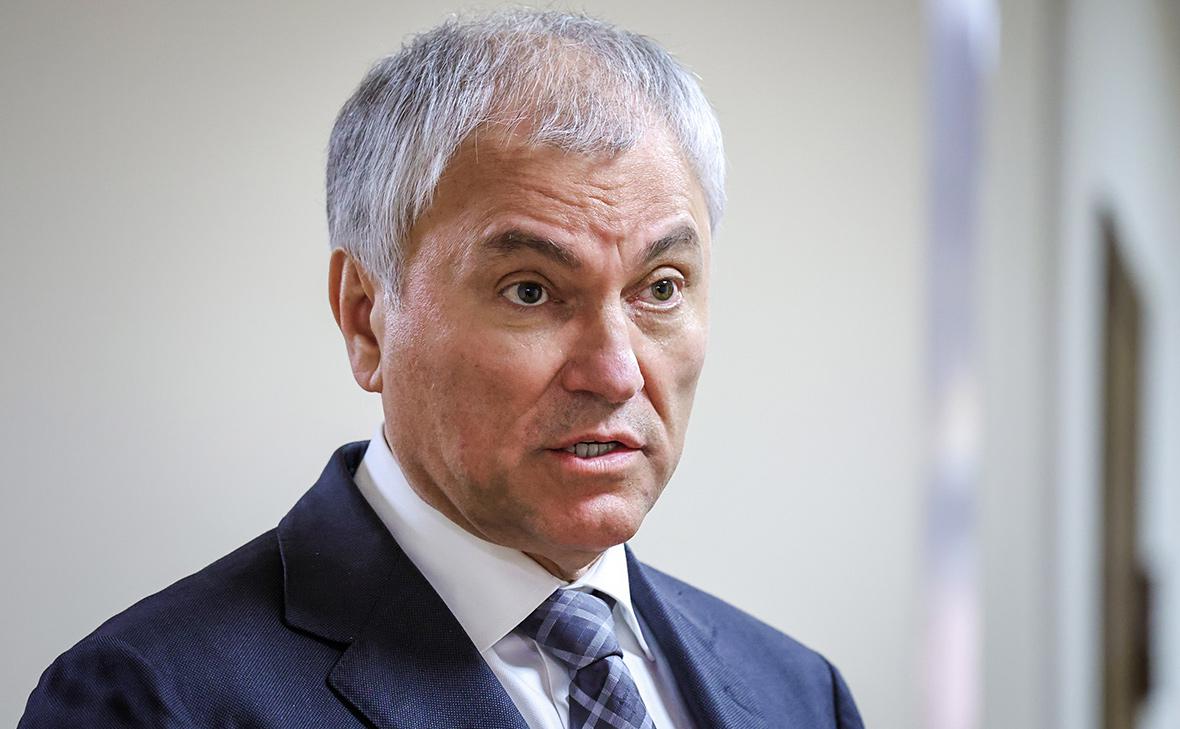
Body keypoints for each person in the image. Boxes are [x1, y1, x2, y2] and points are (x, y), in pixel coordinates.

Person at [20, 9, 863, 728]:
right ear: (366, 316)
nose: (614, 374)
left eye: (661, 287)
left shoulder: (801, 694)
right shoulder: (150, 699)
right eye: (530, 290)